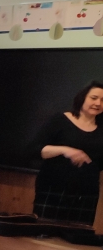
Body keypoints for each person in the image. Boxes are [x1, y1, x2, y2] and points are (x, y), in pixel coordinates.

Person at [33, 81, 103, 224]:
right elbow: (33, 150)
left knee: (78, 235)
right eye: (94, 98)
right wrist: (65, 150)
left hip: (86, 194)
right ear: (82, 98)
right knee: (46, 233)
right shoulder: (60, 120)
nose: (98, 103)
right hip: (53, 189)